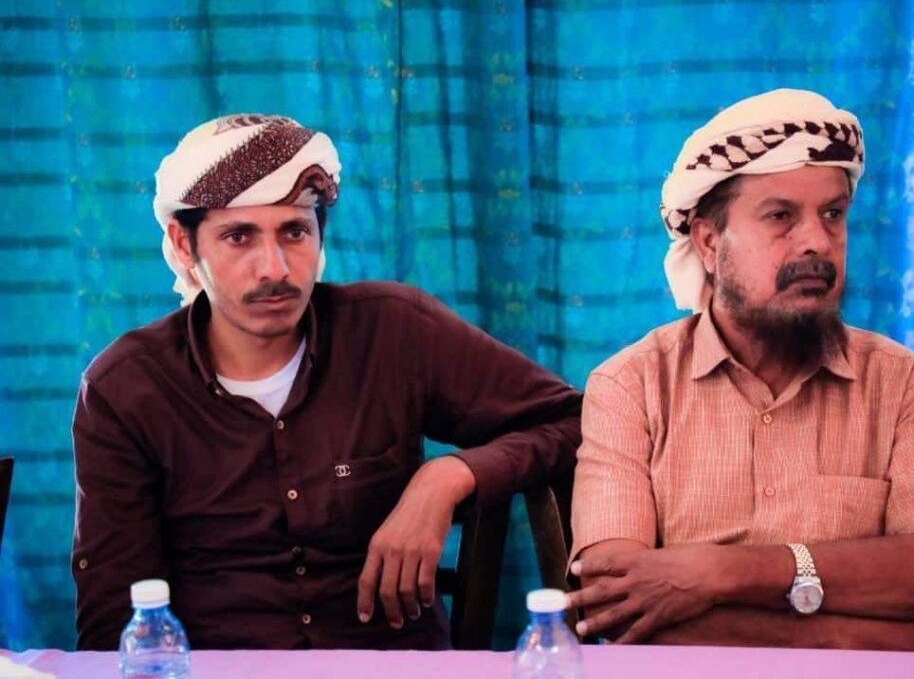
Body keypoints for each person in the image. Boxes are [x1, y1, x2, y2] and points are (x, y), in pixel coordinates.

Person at [71, 113, 582, 651]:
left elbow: (574, 421)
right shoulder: (126, 389)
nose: (274, 269)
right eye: (239, 237)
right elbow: (113, 624)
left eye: (294, 232)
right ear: (183, 246)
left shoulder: (394, 331)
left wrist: (450, 476)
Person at [567, 89, 914, 651]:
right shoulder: (631, 388)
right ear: (709, 243)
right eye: (781, 216)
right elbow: (615, 605)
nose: (817, 242)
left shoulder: (901, 383)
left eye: (833, 214)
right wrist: (865, 635)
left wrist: (722, 574)